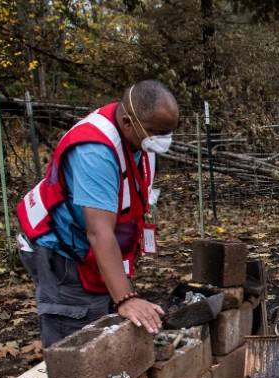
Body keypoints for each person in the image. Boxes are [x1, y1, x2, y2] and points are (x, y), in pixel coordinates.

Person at [15, 80, 177, 345]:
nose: (163, 140)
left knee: (106, 329)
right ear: (127, 122)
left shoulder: (139, 138)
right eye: (156, 132)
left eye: (168, 132)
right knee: (78, 342)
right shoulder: (94, 151)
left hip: (90, 250)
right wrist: (125, 297)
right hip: (64, 254)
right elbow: (98, 230)